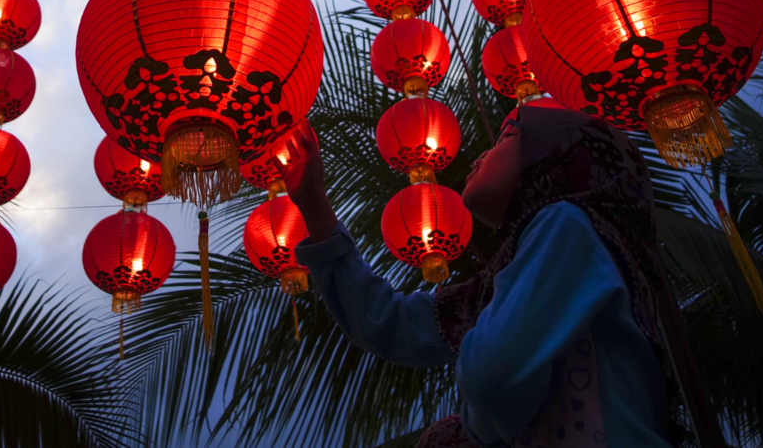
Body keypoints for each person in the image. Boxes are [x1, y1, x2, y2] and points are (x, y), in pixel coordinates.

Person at [275, 104, 681, 448]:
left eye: (504, 139)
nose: (477, 158)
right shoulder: (520, 269)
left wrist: (470, 435)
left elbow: (494, 376)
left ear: (554, 154)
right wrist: (312, 200)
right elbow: (388, 322)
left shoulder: (567, 223)